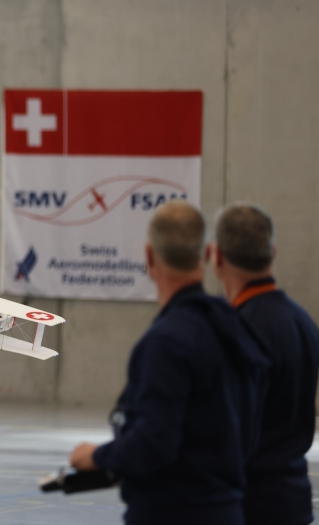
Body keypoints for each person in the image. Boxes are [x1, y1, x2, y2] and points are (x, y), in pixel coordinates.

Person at [69, 200, 269, 525]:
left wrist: (96, 456)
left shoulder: (166, 342)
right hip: (228, 510)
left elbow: (154, 443)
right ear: (206, 254)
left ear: (149, 257)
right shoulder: (235, 329)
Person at [212, 204, 319, 525]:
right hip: (293, 501)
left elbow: (223, 431)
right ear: (273, 252)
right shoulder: (304, 323)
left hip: (249, 505)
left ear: (216, 257)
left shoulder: (235, 330)